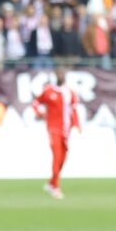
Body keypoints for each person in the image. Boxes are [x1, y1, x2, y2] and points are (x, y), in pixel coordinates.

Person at [31, 68, 81, 200]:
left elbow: (74, 110)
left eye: (62, 74)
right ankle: (55, 187)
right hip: (53, 128)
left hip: (66, 129)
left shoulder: (69, 92)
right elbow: (35, 103)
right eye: (58, 74)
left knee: (63, 157)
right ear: (55, 76)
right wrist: (40, 113)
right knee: (57, 155)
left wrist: (77, 125)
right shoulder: (48, 91)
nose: (61, 76)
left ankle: (51, 182)